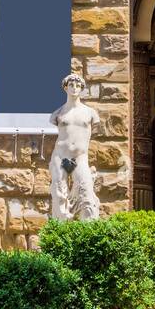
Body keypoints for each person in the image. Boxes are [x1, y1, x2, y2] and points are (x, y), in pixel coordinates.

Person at [49, 72, 102, 220]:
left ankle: (89, 233)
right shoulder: (57, 114)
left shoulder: (90, 113)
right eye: (71, 85)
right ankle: (60, 231)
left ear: (82, 88)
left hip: (80, 158)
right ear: (65, 88)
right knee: (59, 194)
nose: (74, 88)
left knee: (86, 193)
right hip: (60, 156)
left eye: (78, 85)